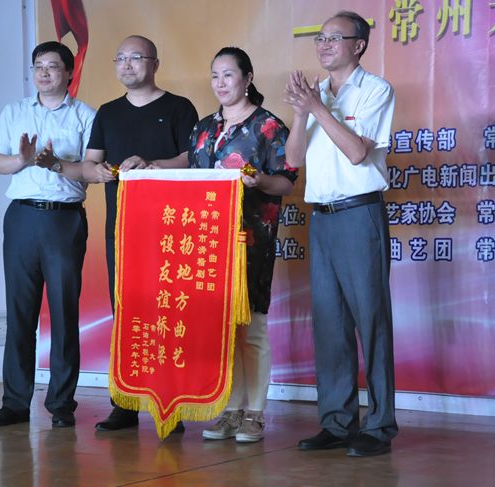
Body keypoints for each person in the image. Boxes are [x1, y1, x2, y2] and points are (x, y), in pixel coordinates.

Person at [283, 11, 398, 456]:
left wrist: (317, 109)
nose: (324, 45)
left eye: (335, 38)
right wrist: (301, 114)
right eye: (320, 38)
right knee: (330, 323)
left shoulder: (375, 90)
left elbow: (356, 153)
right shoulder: (316, 94)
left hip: (358, 215)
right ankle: (336, 421)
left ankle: (380, 426)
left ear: (359, 45)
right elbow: (294, 160)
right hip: (322, 219)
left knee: (371, 319)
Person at [80, 35, 199, 432]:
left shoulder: (179, 108)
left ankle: (171, 405)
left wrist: (152, 164)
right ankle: (125, 403)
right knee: (126, 312)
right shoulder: (108, 113)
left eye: (136, 58)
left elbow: (192, 159)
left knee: (168, 312)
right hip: (122, 229)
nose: (127, 65)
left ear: (155, 64)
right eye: (121, 59)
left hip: (169, 228)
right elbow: (90, 163)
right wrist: (96, 172)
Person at [0, 41, 95, 428]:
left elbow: (91, 170)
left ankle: (61, 403)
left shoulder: (85, 115)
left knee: (64, 312)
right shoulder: (14, 111)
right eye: (38, 66)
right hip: (22, 218)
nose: (44, 73)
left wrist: (55, 163)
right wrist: (23, 160)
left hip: (64, 220)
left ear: (69, 73)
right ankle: (14, 403)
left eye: (52, 66)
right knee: (19, 312)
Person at [190, 47, 297, 443]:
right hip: (209, 239)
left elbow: (287, 182)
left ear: (248, 78)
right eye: (215, 75)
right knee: (222, 328)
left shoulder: (268, 126)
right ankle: (230, 409)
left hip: (251, 240)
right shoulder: (203, 128)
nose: (220, 83)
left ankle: (255, 412)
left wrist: (259, 181)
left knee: (252, 327)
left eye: (228, 74)